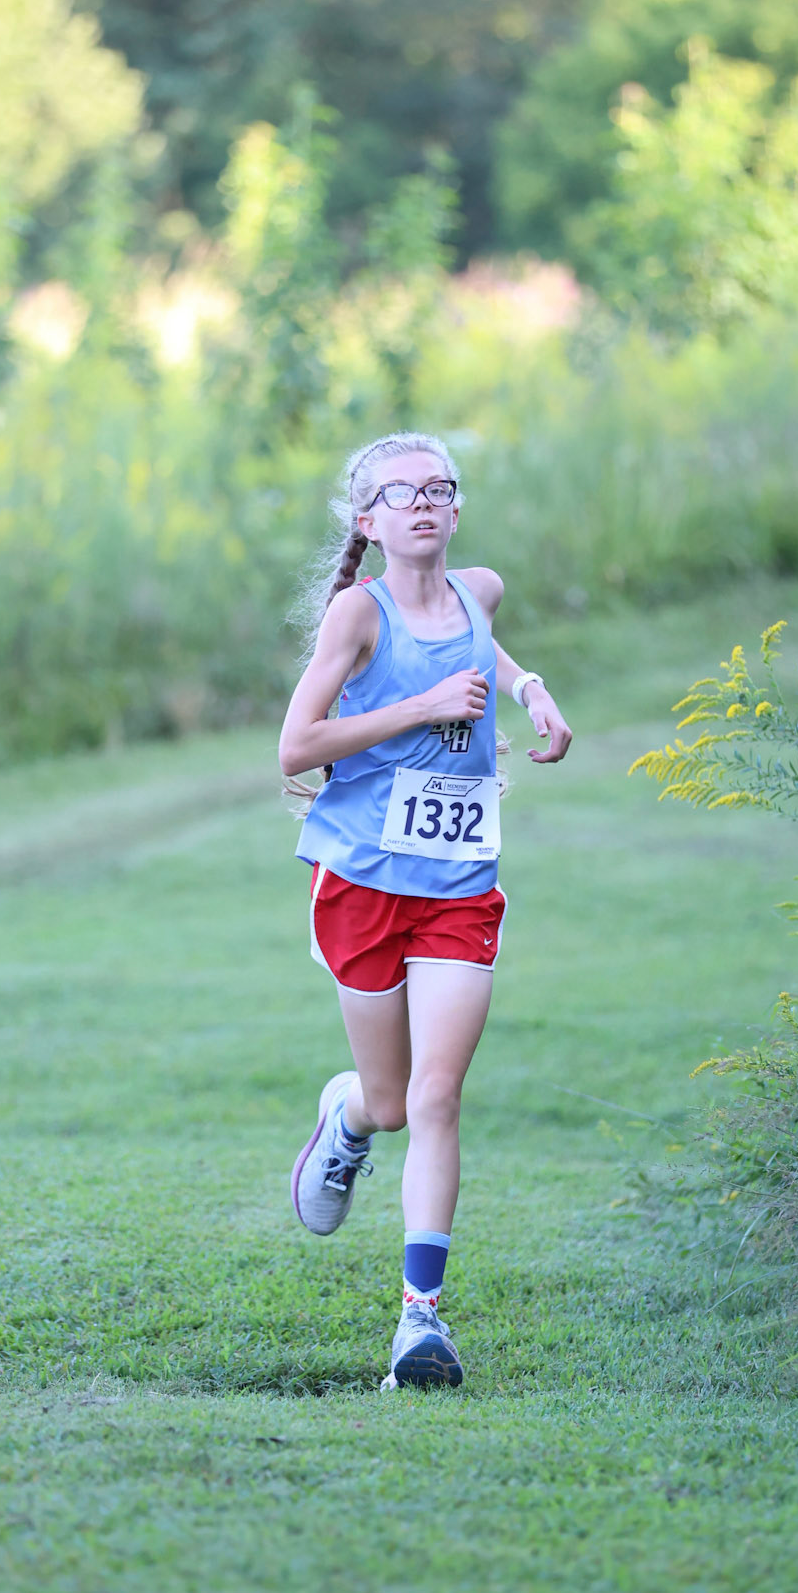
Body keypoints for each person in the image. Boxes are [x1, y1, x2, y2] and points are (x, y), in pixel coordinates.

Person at [279, 431, 572, 1388]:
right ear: (368, 520)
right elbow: (295, 745)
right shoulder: (355, 621)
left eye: (438, 490)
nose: (422, 505)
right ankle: (348, 1119)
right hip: (362, 881)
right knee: (395, 1103)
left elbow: (484, 639)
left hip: (458, 881)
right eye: (399, 494)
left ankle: (419, 1326)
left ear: (453, 509)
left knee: (440, 1096)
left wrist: (528, 689)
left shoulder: (476, 592)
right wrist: (421, 707)